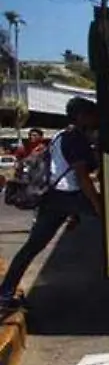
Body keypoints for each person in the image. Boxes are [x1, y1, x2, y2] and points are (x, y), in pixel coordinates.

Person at [0, 98, 101, 311]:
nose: (96, 118)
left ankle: (5, 294)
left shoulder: (59, 135)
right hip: (69, 196)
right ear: (82, 116)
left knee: (32, 247)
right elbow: (82, 177)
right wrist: (99, 206)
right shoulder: (75, 138)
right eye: (93, 114)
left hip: (53, 198)